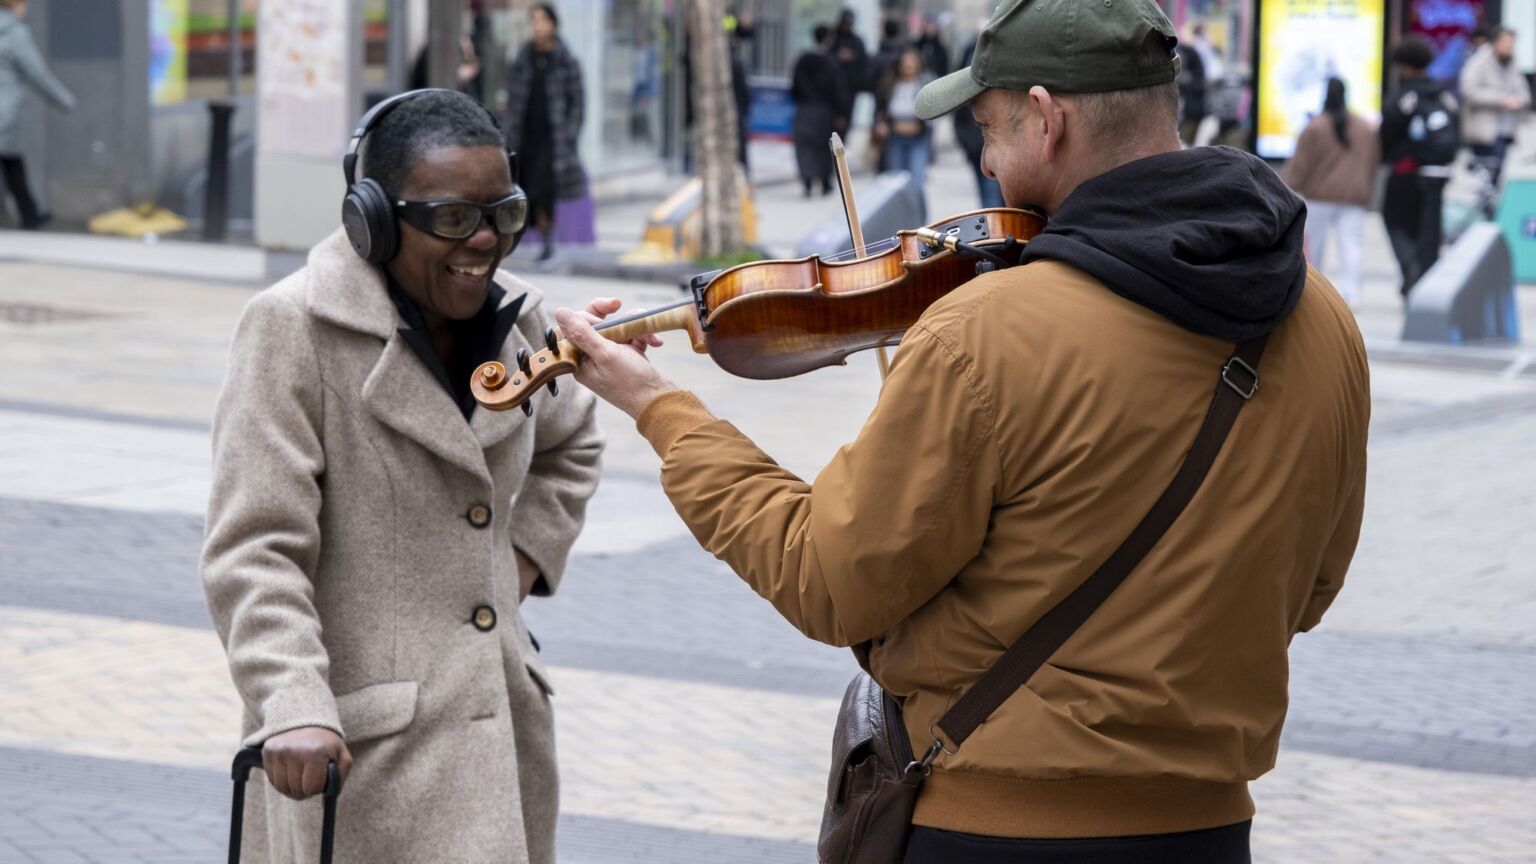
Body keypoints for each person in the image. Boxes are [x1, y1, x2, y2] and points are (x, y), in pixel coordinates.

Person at [553, 0, 1368, 860]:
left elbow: (825, 578)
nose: (983, 162)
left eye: (987, 128)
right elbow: (1313, 586)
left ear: (1047, 120)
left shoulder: (987, 331)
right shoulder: (1324, 319)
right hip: (1209, 833)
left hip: (995, 828)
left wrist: (659, 406)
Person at [202, 89, 607, 864]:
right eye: (454, 218)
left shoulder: (521, 320)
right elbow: (254, 550)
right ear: (375, 219)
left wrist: (514, 565)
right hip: (357, 755)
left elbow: (574, 441)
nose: (485, 241)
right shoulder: (292, 329)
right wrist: (290, 703)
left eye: (505, 214)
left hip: (499, 741)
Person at [504, 3, 587, 270]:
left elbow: (578, 102)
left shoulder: (566, 59)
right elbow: (514, 98)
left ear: (553, 24)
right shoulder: (524, 58)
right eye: (534, 20)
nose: (538, 26)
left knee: (545, 190)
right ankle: (531, 241)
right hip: (526, 136)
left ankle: (549, 242)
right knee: (525, 187)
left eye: (542, 20)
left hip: (553, 139)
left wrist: (570, 134)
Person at [1284, 77, 1379, 308]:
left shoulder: (1316, 127)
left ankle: (1314, 293)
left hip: (1320, 196)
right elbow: (1372, 162)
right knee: (1352, 245)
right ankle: (1352, 294)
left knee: (1315, 247)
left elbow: (1301, 164)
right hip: (1353, 197)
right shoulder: (1364, 128)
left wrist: (1291, 185)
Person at [1381, 37, 1460, 298]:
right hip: (1437, 172)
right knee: (1428, 229)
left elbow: (1387, 135)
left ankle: (1410, 269)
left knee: (1394, 221)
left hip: (1404, 172)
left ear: (1402, 65)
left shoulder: (1402, 97)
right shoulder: (1444, 95)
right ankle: (1425, 279)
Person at [0, 0, 74, 231]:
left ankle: (29, 214)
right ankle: (29, 215)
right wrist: (64, 99)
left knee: (12, 163)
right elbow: (37, 73)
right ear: (16, 5)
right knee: (12, 163)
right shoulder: (14, 34)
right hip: (4, 113)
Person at [1458, 26, 1530, 190]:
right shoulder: (1479, 62)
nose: (1510, 47)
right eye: (1506, 43)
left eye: (1512, 44)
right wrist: (1500, 99)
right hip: (1484, 132)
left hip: (1507, 130)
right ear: (1496, 42)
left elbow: (1524, 93)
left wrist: (1518, 101)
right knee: (1481, 178)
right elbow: (1468, 91)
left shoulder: (1513, 64)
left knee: (1497, 177)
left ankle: (1490, 210)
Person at [874, 47, 934, 210]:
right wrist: (881, 125)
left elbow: (934, 115)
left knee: (917, 183)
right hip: (895, 139)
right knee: (895, 184)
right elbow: (881, 110)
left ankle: (921, 225)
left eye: (912, 61)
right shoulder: (890, 85)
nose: (908, 65)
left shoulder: (924, 84)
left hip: (918, 139)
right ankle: (899, 223)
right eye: (905, 61)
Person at [790, 24, 846, 198]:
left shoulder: (803, 59)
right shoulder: (831, 62)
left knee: (805, 145)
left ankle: (807, 178)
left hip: (805, 108)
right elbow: (838, 89)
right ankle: (824, 180)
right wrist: (840, 112)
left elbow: (795, 86)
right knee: (824, 146)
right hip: (824, 110)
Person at [952, 31, 1004, 208]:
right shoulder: (969, 55)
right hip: (975, 144)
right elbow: (959, 114)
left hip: (990, 145)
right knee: (988, 198)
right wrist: (966, 141)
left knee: (993, 200)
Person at [1173, 32, 1207, 146]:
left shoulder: (1186, 53)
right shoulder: (1190, 53)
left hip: (1192, 111)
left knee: (1185, 141)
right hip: (1193, 110)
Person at [832, 7, 869, 101]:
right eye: (845, 23)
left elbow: (863, 60)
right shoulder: (832, 38)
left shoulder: (857, 41)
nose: (847, 26)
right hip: (833, 83)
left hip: (851, 84)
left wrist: (852, 57)